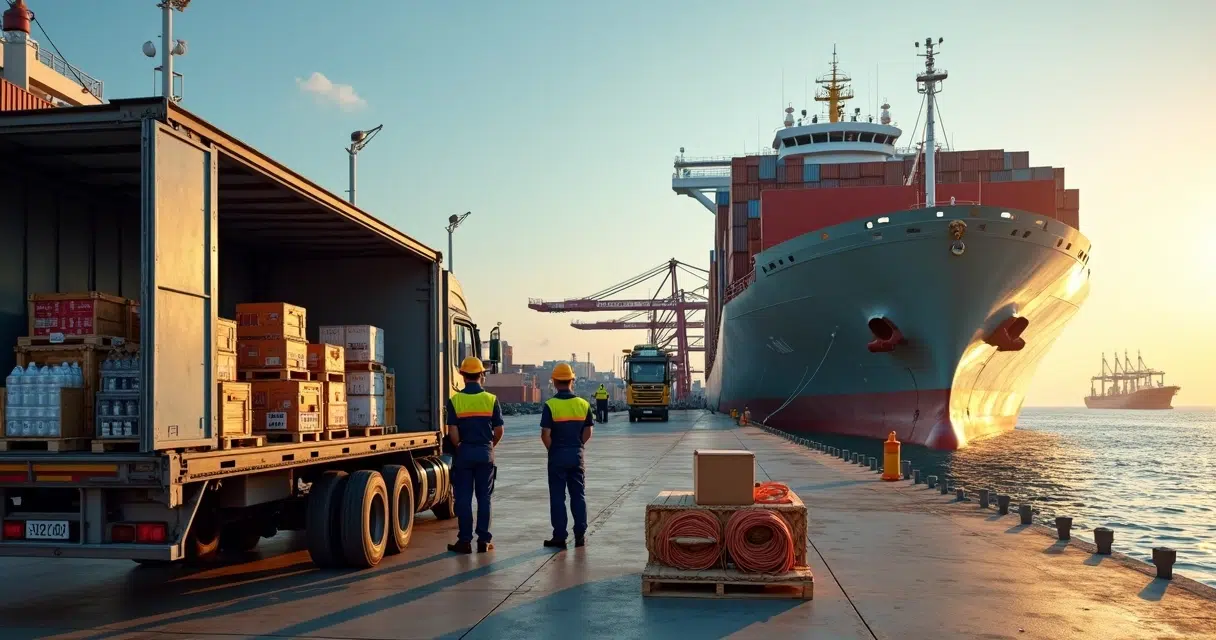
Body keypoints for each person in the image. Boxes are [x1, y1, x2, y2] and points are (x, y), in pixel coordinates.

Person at [446, 356, 504, 554]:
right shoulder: (491, 400)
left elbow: (452, 430)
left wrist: (460, 445)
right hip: (484, 452)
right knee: (484, 498)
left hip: (464, 453)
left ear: (462, 376)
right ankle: (483, 541)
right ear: (481, 375)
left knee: (463, 498)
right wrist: (489, 446)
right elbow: (499, 430)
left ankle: (464, 541)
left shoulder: (455, 400)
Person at [541, 362, 595, 549]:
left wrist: (554, 450)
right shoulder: (583, 404)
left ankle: (559, 537)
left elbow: (545, 435)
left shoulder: (550, 405)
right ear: (572, 380)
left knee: (558, 497)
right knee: (578, 496)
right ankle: (580, 536)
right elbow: (588, 432)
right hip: (576, 454)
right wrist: (578, 446)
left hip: (557, 455)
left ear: (554, 382)